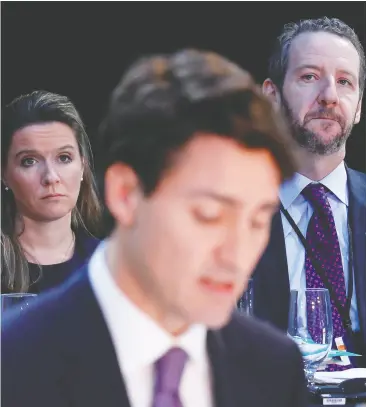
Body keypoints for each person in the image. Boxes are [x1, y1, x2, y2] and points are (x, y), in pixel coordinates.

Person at [2, 50, 307, 407]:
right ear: (126, 194)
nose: (238, 255)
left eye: (258, 219)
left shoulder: (275, 368)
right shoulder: (16, 364)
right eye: (209, 215)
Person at [251, 17, 366, 369]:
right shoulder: (227, 215)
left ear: (359, 106)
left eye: (345, 82)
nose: (330, 96)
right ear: (271, 96)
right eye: (310, 77)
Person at [1, 90, 103, 294]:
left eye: (64, 157)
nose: (51, 177)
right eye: (29, 161)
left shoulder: (108, 267)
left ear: (82, 166)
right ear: (4, 175)